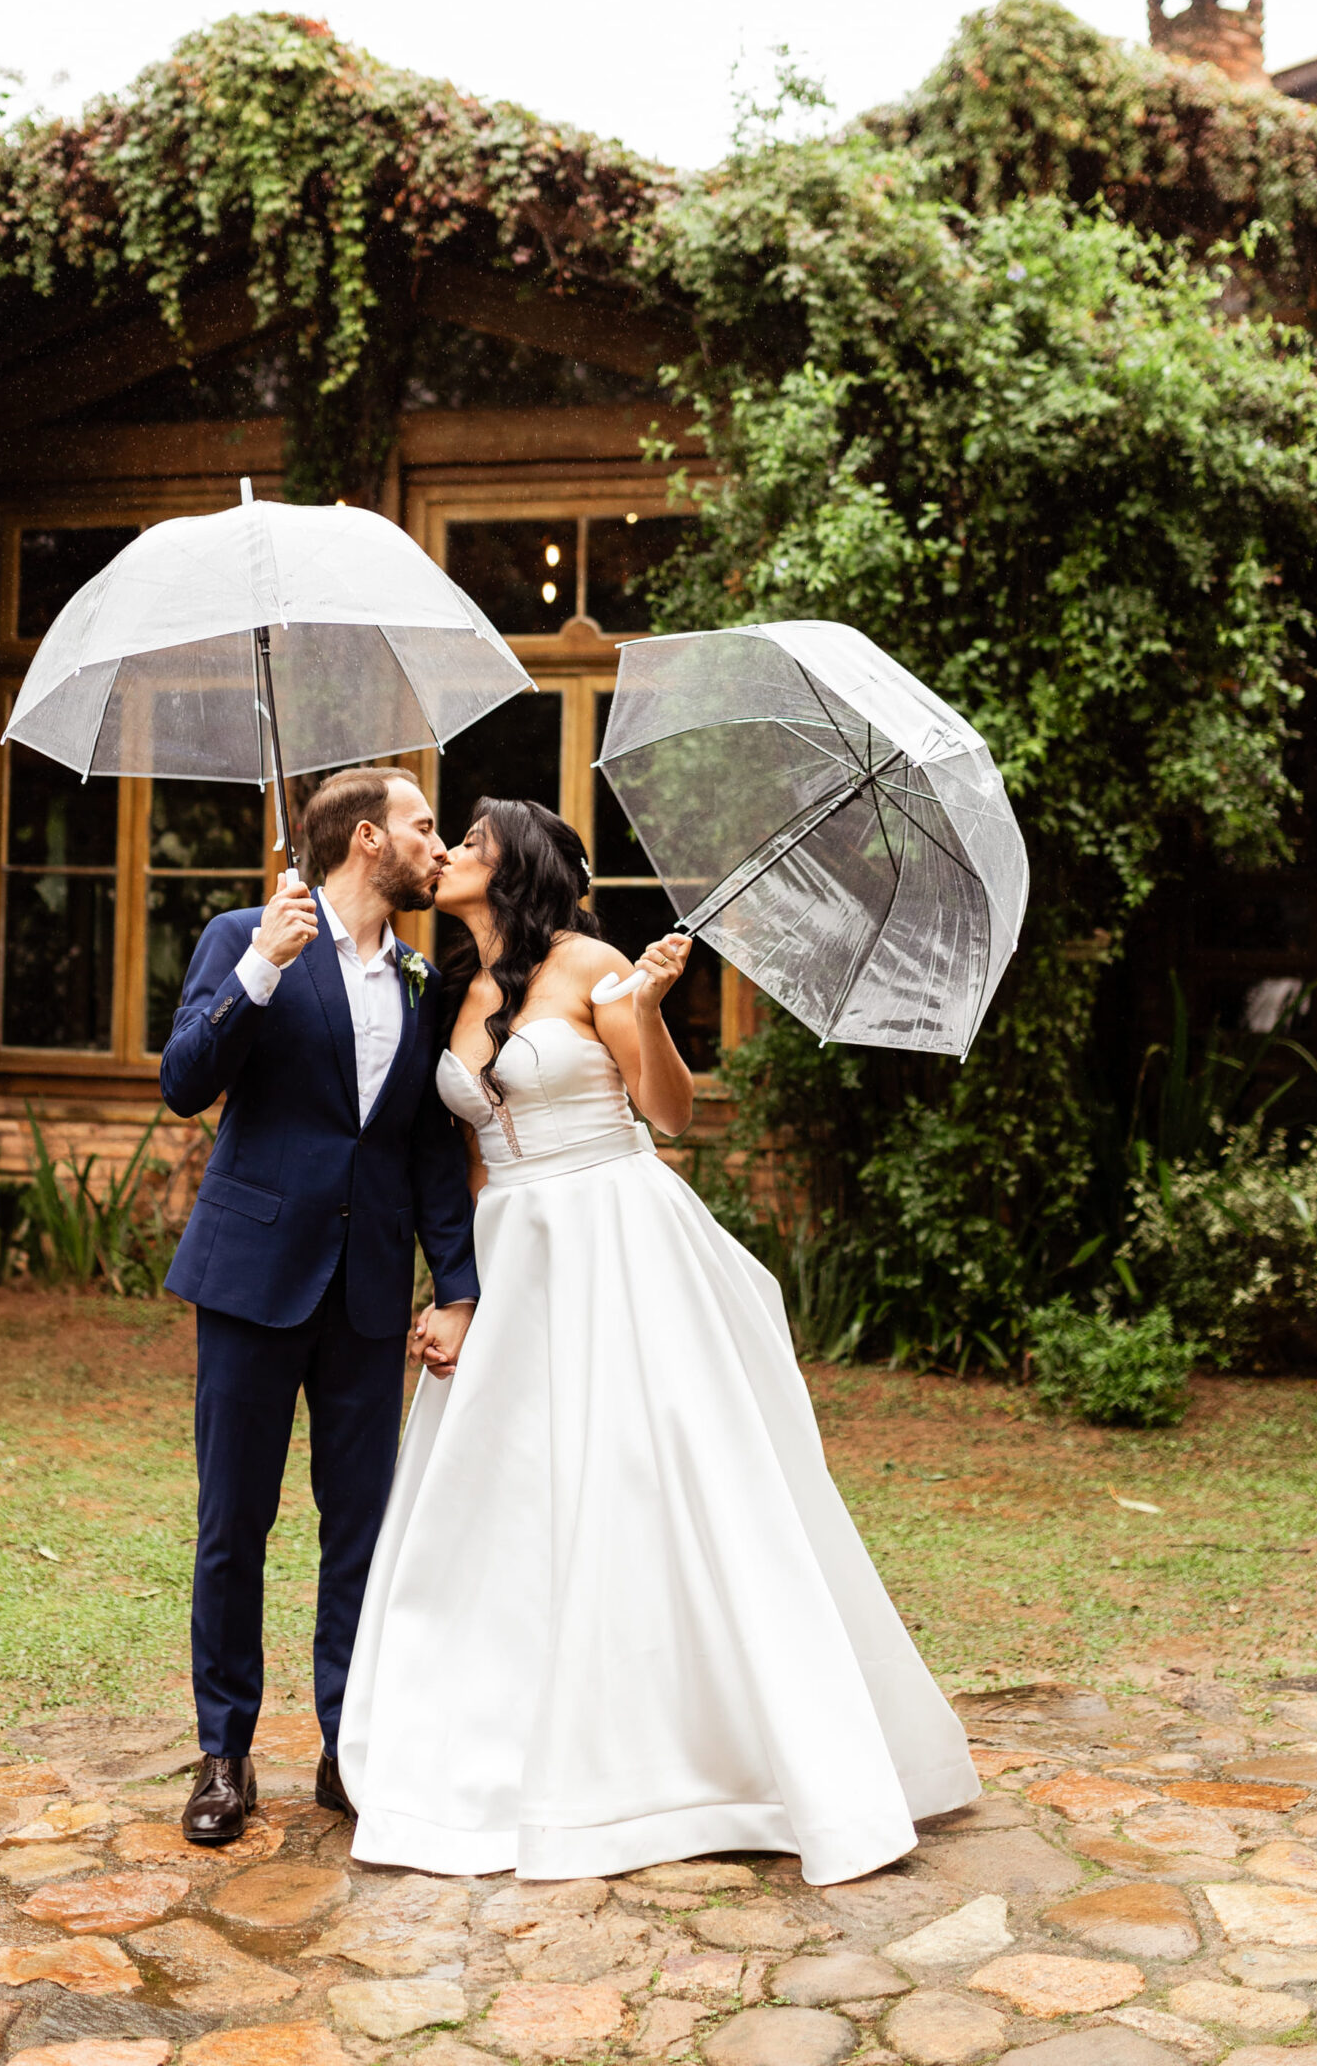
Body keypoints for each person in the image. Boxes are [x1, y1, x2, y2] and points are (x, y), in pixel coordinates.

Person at [337, 795, 978, 1886]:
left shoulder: (593, 965)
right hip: (513, 1250)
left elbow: (668, 1113)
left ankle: (698, 1757)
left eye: (472, 842)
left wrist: (646, 1011)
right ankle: (494, 1744)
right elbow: (471, 1160)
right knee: (504, 1494)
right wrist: (460, 1293)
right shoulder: (449, 987)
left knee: (647, 1475)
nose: (448, 853)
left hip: (616, 1235)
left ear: (516, 865)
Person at [159, 766, 476, 1847]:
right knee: (232, 1523)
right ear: (366, 840)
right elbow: (183, 1082)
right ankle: (224, 1753)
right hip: (251, 1280)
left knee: (362, 1531)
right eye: (423, 826)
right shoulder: (244, 936)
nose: (439, 844)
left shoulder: (422, 978)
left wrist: (457, 1285)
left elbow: (425, 1148)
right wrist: (261, 968)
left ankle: (349, 1748)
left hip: (369, 1292)